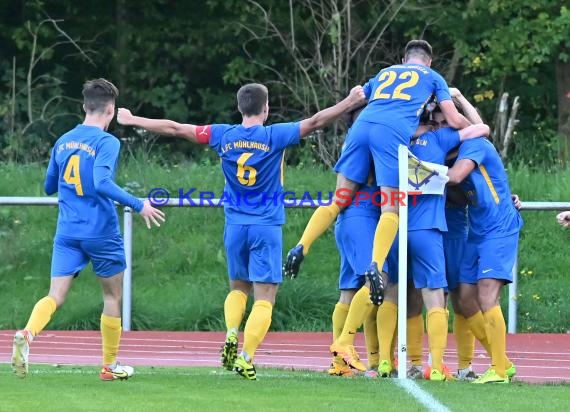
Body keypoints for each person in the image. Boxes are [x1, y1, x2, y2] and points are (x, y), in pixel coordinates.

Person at [117, 83, 366, 380]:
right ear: (266, 108)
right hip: (266, 226)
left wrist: (133, 120)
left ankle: (232, 333)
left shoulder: (222, 134)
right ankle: (246, 357)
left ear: (239, 108)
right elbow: (315, 121)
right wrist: (349, 102)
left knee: (238, 288)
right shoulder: (274, 135)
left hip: (235, 226)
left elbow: (175, 128)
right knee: (265, 298)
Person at [11, 78, 165, 381]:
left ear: (84, 106)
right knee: (111, 296)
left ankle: (28, 334)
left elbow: (48, 187)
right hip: (100, 232)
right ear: (111, 110)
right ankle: (109, 366)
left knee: (55, 295)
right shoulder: (108, 141)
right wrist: (138, 204)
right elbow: (101, 183)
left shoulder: (63, 140)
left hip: (68, 232)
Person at [374, 98, 490, 381]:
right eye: (437, 118)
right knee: (426, 294)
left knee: (404, 291)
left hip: (412, 224)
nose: (441, 122)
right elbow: (481, 130)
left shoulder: (400, 140)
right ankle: (428, 364)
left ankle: (393, 363)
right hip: (429, 225)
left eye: (445, 118)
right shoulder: (440, 139)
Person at [447, 102, 524, 383]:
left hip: (499, 229)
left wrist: (414, 173)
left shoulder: (473, 146)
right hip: (476, 232)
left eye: (443, 121)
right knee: (465, 298)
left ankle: (499, 371)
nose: (438, 127)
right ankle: (501, 361)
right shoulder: (448, 151)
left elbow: (455, 177)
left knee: (487, 296)